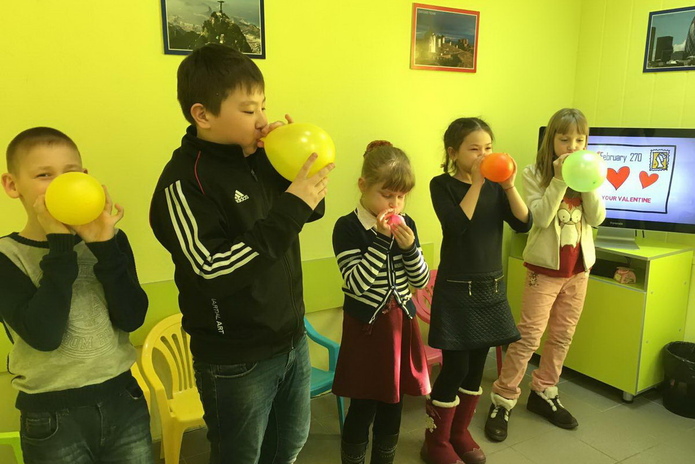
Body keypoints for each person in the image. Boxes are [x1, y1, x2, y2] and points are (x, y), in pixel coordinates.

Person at [149, 43, 334, 464]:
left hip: (292, 338)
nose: (263, 120)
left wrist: (295, 166)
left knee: (288, 447)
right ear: (203, 115)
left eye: (263, 106)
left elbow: (307, 213)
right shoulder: (183, 184)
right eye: (249, 110)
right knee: (239, 457)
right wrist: (292, 204)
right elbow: (212, 271)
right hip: (235, 359)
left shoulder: (261, 159)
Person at [0, 127, 152, 464]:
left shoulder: (111, 241)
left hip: (122, 398)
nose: (61, 185)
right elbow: (44, 335)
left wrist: (106, 248)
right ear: (12, 185)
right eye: (44, 175)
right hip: (51, 416)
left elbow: (132, 317)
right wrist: (60, 248)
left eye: (70, 174)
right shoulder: (6, 257)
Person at [485, 108, 606, 442]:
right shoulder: (534, 173)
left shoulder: (590, 171)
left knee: (563, 335)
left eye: (579, 140)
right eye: (565, 139)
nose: (572, 146)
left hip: (578, 270)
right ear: (552, 139)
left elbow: (596, 218)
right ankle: (503, 398)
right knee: (528, 337)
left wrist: (588, 183)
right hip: (544, 271)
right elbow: (539, 218)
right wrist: (560, 179)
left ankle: (544, 391)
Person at [423, 118, 532, 464]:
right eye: (474, 149)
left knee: (475, 368)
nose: (483, 155)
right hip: (457, 290)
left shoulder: (498, 187)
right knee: (454, 367)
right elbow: (455, 226)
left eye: (488, 148)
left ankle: (459, 432)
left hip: (490, 288)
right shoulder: (441, 185)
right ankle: (435, 439)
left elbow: (524, 223)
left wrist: (509, 186)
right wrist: (477, 182)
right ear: (453, 152)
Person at [332, 140, 431, 464]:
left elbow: (420, 281)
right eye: (387, 195)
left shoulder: (407, 224)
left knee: (394, 402)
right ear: (363, 185)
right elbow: (357, 285)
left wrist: (410, 248)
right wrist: (380, 239)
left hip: (400, 324)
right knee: (363, 405)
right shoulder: (347, 227)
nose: (395, 204)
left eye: (401, 197)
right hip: (367, 329)